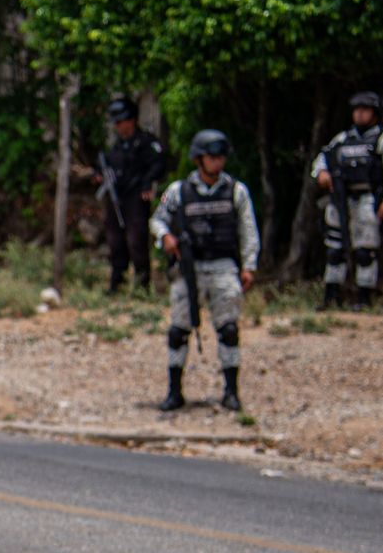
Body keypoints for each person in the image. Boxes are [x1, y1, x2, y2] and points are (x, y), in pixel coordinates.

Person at [151, 129, 259, 413]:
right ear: (199, 159)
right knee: (178, 331)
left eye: (221, 157)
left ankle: (231, 392)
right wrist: (166, 238)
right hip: (190, 268)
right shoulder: (178, 191)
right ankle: (175, 392)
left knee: (228, 329)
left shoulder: (236, 191)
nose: (217, 163)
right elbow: (158, 220)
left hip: (223, 266)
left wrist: (249, 265)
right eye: (212, 157)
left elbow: (248, 230)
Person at [312, 91, 383, 311]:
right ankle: (331, 296)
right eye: (357, 110)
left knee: (365, 251)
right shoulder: (344, 138)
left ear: (374, 113)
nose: (360, 114)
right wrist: (321, 174)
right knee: (334, 250)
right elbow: (322, 160)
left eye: (365, 110)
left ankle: (364, 298)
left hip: (367, 200)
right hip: (340, 200)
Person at [88, 98, 167, 294]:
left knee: (136, 240)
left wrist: (147, 183)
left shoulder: (146, 142)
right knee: (115, 241)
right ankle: (117, 283)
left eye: (120, 121)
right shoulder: (115, 147)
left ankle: (142, 285)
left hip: (136, 198)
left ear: (131, 120)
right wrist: (98, 174)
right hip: (116, 199)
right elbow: (103, 167)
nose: (117, 126)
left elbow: (158, 164)